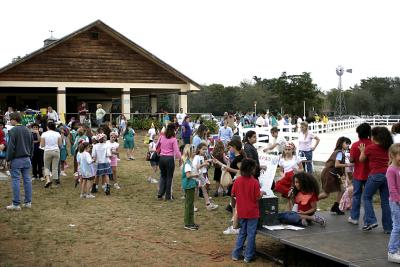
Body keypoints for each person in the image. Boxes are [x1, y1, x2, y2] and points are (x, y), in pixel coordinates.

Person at [359, 126, 393, 232]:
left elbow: (361, 160)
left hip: (375, 175)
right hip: (387, 175)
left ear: (374, 137)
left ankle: (371, 220)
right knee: (386, 201)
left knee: (366, 197)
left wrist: (362, 151)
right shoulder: (389, 147)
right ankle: (388, 227)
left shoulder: (370, 148)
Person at [231, 158, 265, 263]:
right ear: (251, 169)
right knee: (251, 234)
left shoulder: (237, 181)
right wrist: (262, 193)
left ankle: (236, 254)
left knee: (242, 232)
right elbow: (257, 197)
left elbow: (233, 194)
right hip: (252, 212)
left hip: (242, 211)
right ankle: (248, 256)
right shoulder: (254, 182)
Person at [5, 112, 34, 210]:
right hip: (27, 158)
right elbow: (32, 145)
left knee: (16, 180)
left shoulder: (13, 131)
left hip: (16, 159)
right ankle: (28, 202)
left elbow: (10, 147)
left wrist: (8, 159)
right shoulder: (28, 130)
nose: (9, 121)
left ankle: (16, 204)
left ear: (14, 119)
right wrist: (30, 156)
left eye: (10, 119)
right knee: (27, 180)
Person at [318, 137, 352, 215]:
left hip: (332, 174)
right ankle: (310, 202)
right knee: (326, 194)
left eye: (349, 144)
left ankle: (336, 206)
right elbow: (337, 165)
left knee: (342, 189)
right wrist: (349, 164)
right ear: (341, 143)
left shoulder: (339, 152)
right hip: (329, 174)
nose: (348, 145)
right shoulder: (339, 152)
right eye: (346, 143)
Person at [348, 123, 372, 225]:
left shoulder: (354, 145)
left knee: (356, 196)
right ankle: (368, 219)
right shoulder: (373, 144)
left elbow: (352, 160)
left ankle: (354, 217)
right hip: (370, 174)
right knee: (368, 197)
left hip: (358, 174)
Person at [157, 123, 181, 200]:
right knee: (169, 177)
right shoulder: (173, 139)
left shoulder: (162, 137)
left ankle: (160, 193)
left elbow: (157, 146)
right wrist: (181, 158)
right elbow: (177, 152)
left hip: (161, 158)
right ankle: (168, 195)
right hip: (169, 159)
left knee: (163, 176)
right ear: (174, 130)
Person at [193, 142, 218, 211]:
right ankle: (192, 206)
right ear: (199, 149)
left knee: (204, 190)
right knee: (196, 192)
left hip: (201, 176)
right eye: (203, 149)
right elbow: (195, 167)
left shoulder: (201, 157)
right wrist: (204, 164)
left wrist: (209, 161)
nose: (205, 151)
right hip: (197, 176)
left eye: (206, 149)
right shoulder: (196, 157)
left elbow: (201, 164)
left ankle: (208, 204)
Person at [386, 143, 400, 263]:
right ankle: (392, 251)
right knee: (397, 226)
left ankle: (397, 248)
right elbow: (392, 189)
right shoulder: (391, 170)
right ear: (393, 155)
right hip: (396, 203)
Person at [181, 144, 200, 231]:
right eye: (193, 150)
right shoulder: (188, 163)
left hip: (190, 185)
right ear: (189, 152)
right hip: (189, 186)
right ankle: (188, 223)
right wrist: (196, 175)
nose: (195, 151)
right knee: (189, 205)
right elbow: (188, 175)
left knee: (190, 204)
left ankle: (191, 222)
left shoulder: (189, 162)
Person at [40, 121, 62, 188]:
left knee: (46, 167)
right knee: (55, 167)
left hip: (47, 151)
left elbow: (42, 145)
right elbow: (60, 144)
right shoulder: (58, 134)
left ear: (47, 127)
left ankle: (48, 180)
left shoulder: (44, 134)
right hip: (56, 151)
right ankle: (55, 183)